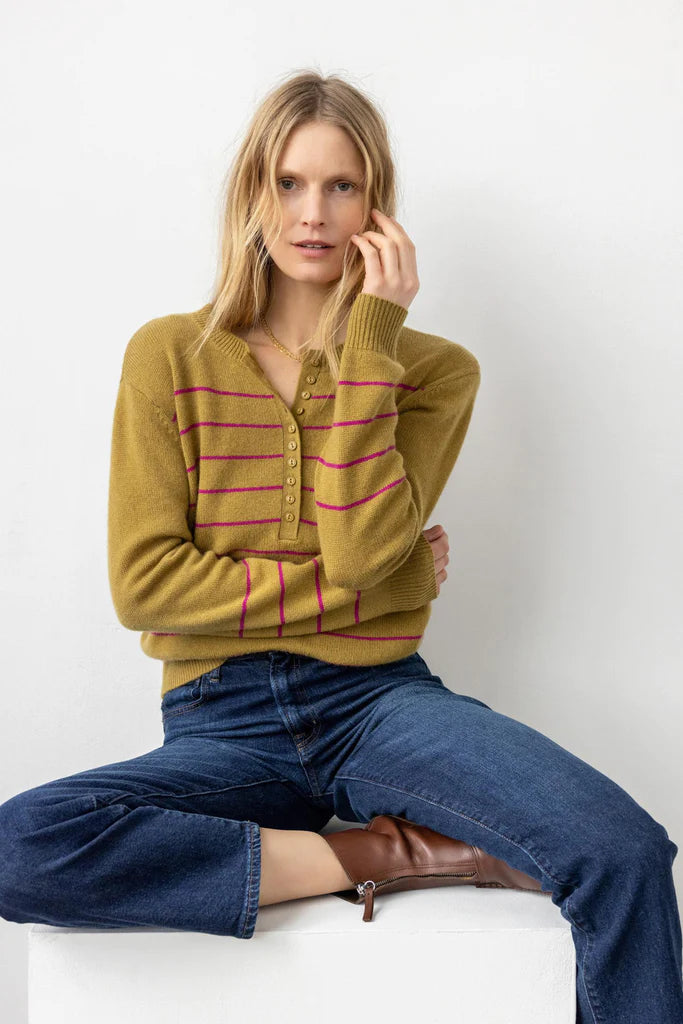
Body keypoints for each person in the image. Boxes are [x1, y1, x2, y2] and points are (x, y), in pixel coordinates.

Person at [0, 69, 681, 1024]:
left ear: (376, 205)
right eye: (287, 183)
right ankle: (383, 852)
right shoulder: (168, 355)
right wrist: (396, 583)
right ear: (252, 193)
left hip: (376, 702)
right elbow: (146, 586)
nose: (312, 213)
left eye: (341, 186)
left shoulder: (433, 372)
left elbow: (360, 552)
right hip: (220, 721)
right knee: (19, 845)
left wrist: (370, 343)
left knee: (621, 852)